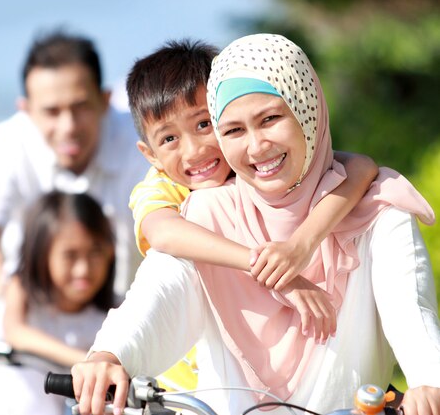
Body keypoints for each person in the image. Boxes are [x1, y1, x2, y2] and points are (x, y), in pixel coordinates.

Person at [71, 33, 440, 415]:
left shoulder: (378, 210)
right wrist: (109, 354)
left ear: (308, 109)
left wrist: (429, 381)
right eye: (233, 130)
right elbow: (161, 287)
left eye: (271, 119)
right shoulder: (205, 211)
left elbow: (410, 307)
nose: (256, 146)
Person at [125, 39, 377, 390]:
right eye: (169, 139)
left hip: (257, 368)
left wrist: (302, 245)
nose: (194, 151)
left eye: (203, 125)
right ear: (149, 154)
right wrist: (277, 274)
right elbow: (164, 234)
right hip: (184, 380)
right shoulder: (161, 186)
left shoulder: (254, 164)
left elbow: (361, 168)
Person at [0, 31, 149, 371]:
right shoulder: (7, 143)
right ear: (25, 110)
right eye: (52, 111)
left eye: (80, 107)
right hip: (32, 338)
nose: (68, 126)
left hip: (129, 327)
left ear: (105, 100)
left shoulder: (139, 145)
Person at [0, 191, 115, 415]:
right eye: (70, 255)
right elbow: (16, 332)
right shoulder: (21, 287)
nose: (83, 269)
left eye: (95, 253)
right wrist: (90, 362)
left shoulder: (113, 315)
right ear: (42, 253)